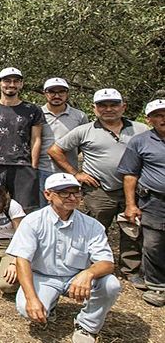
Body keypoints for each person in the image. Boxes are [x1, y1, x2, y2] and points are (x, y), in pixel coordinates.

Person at [48, 88, 147, 287]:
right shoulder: (85, 130)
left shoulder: (141, 129)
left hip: (135, 189)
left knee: (132, 228)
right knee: (93, 228)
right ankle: (91, 264)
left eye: (113, 104)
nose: (108, 109)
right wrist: (76, 174)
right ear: (94, 108)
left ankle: (130, 269)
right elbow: (55, 150)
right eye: (103, 105)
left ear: (123, 106)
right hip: (100, 190)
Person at [7, 173, 121, 343]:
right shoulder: (33, 221)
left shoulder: (92, 225)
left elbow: (107, 263)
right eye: (64, 193)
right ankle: (49, 304)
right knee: (26, 308)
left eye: (76, 192)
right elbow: (22, 260)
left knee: (111, 284)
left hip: (76, 277)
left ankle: (87, 326)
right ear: (48, 195)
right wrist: (31, 299)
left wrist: (88, 273)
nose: (72, 197)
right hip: (43, 276)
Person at [0, 67, 44, 214]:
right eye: (7, 81)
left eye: (16, 81)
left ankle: (25, 237)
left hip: (23, 165)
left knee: (26, 209)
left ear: (21, 84)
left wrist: (33, 165)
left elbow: (36, 139)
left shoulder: (33, 110)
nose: (11, 84)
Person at [118, 99, 165, 306]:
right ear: (149, 119)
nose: (163, 118)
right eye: (158, 115)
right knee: (153, 244)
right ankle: (156, 286)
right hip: (154, 201)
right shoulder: (140, 141)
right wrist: (131, 204)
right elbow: (130, 174)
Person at [37, 78, 89, 207]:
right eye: (52, 92)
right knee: (43, 209)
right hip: (42, 169)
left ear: (67, 93)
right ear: (45, 93)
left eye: (61, 92)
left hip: (69, 171)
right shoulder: (37, 114)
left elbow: (83, 144)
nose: (57, 95)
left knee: (67, 207)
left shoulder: (79, 116)